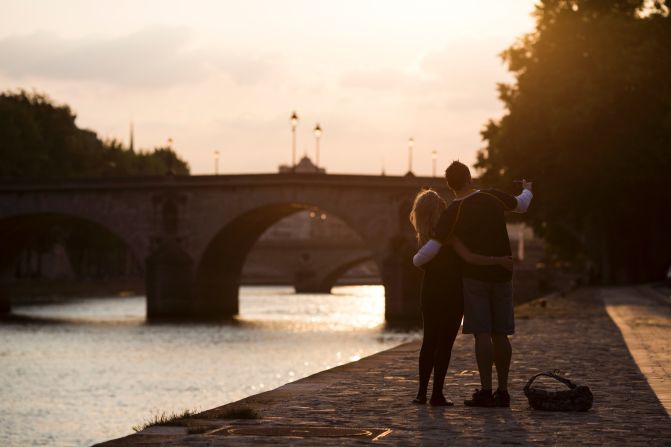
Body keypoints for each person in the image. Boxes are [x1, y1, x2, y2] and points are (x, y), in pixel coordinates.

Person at [413, 161, 533, 407]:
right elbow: (522, 204)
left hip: (473, 278)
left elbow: (427, 252)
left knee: (481, 334)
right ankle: (503, 391)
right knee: (501, 333)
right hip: (501, 274)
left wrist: (421, 260)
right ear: (469, 177)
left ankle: (484, 392)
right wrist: (528, 189)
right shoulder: (492, 196)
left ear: (450, 184)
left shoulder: (453, 211)